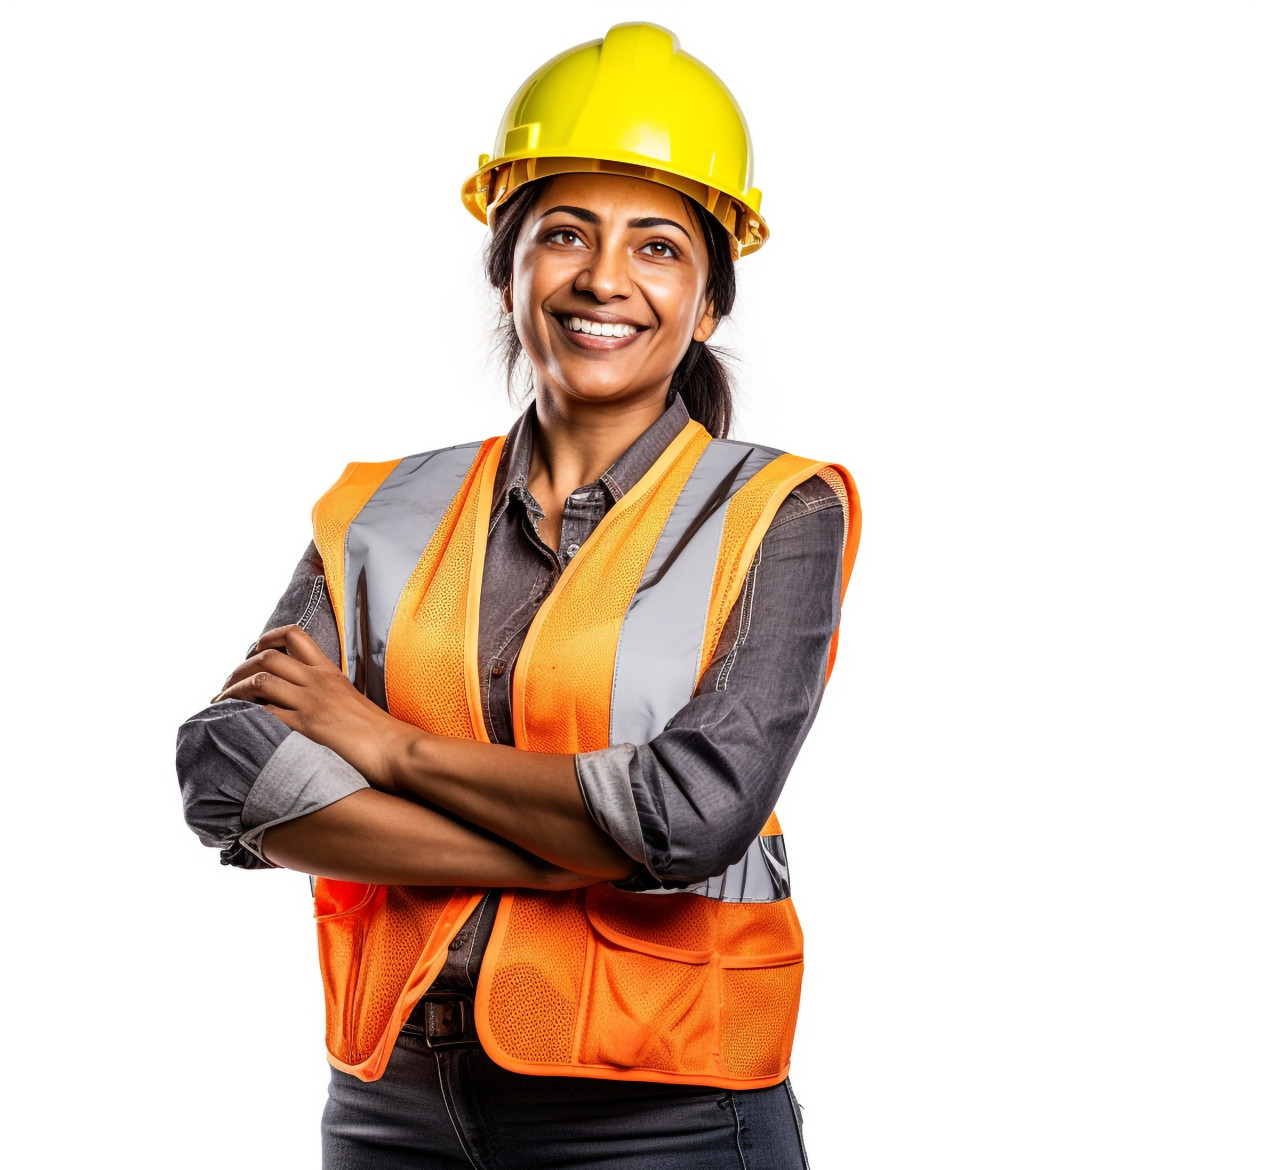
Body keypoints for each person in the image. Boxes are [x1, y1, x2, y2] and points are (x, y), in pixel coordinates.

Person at [176, 22, 861, 1169]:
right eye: (563, 234)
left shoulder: (774, 510)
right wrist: (551, 854)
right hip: (394, 1102)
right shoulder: (385, 509)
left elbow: (689, 815)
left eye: (656, 246)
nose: (604, 278)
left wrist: (383, 750)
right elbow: (228, 770)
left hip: (660, 1114)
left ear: (707, 303)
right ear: (507, 271)